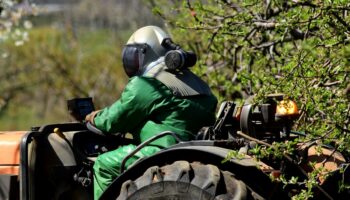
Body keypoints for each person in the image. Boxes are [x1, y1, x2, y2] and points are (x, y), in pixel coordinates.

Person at [85, 26, 218, 200]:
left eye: (134, 55)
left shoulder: (147, 84)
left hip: (161, 149)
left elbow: (115, 120)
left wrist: (94, 118)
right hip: (194, 147)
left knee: (103, 165)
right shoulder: (194, 81)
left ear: (145, 54)